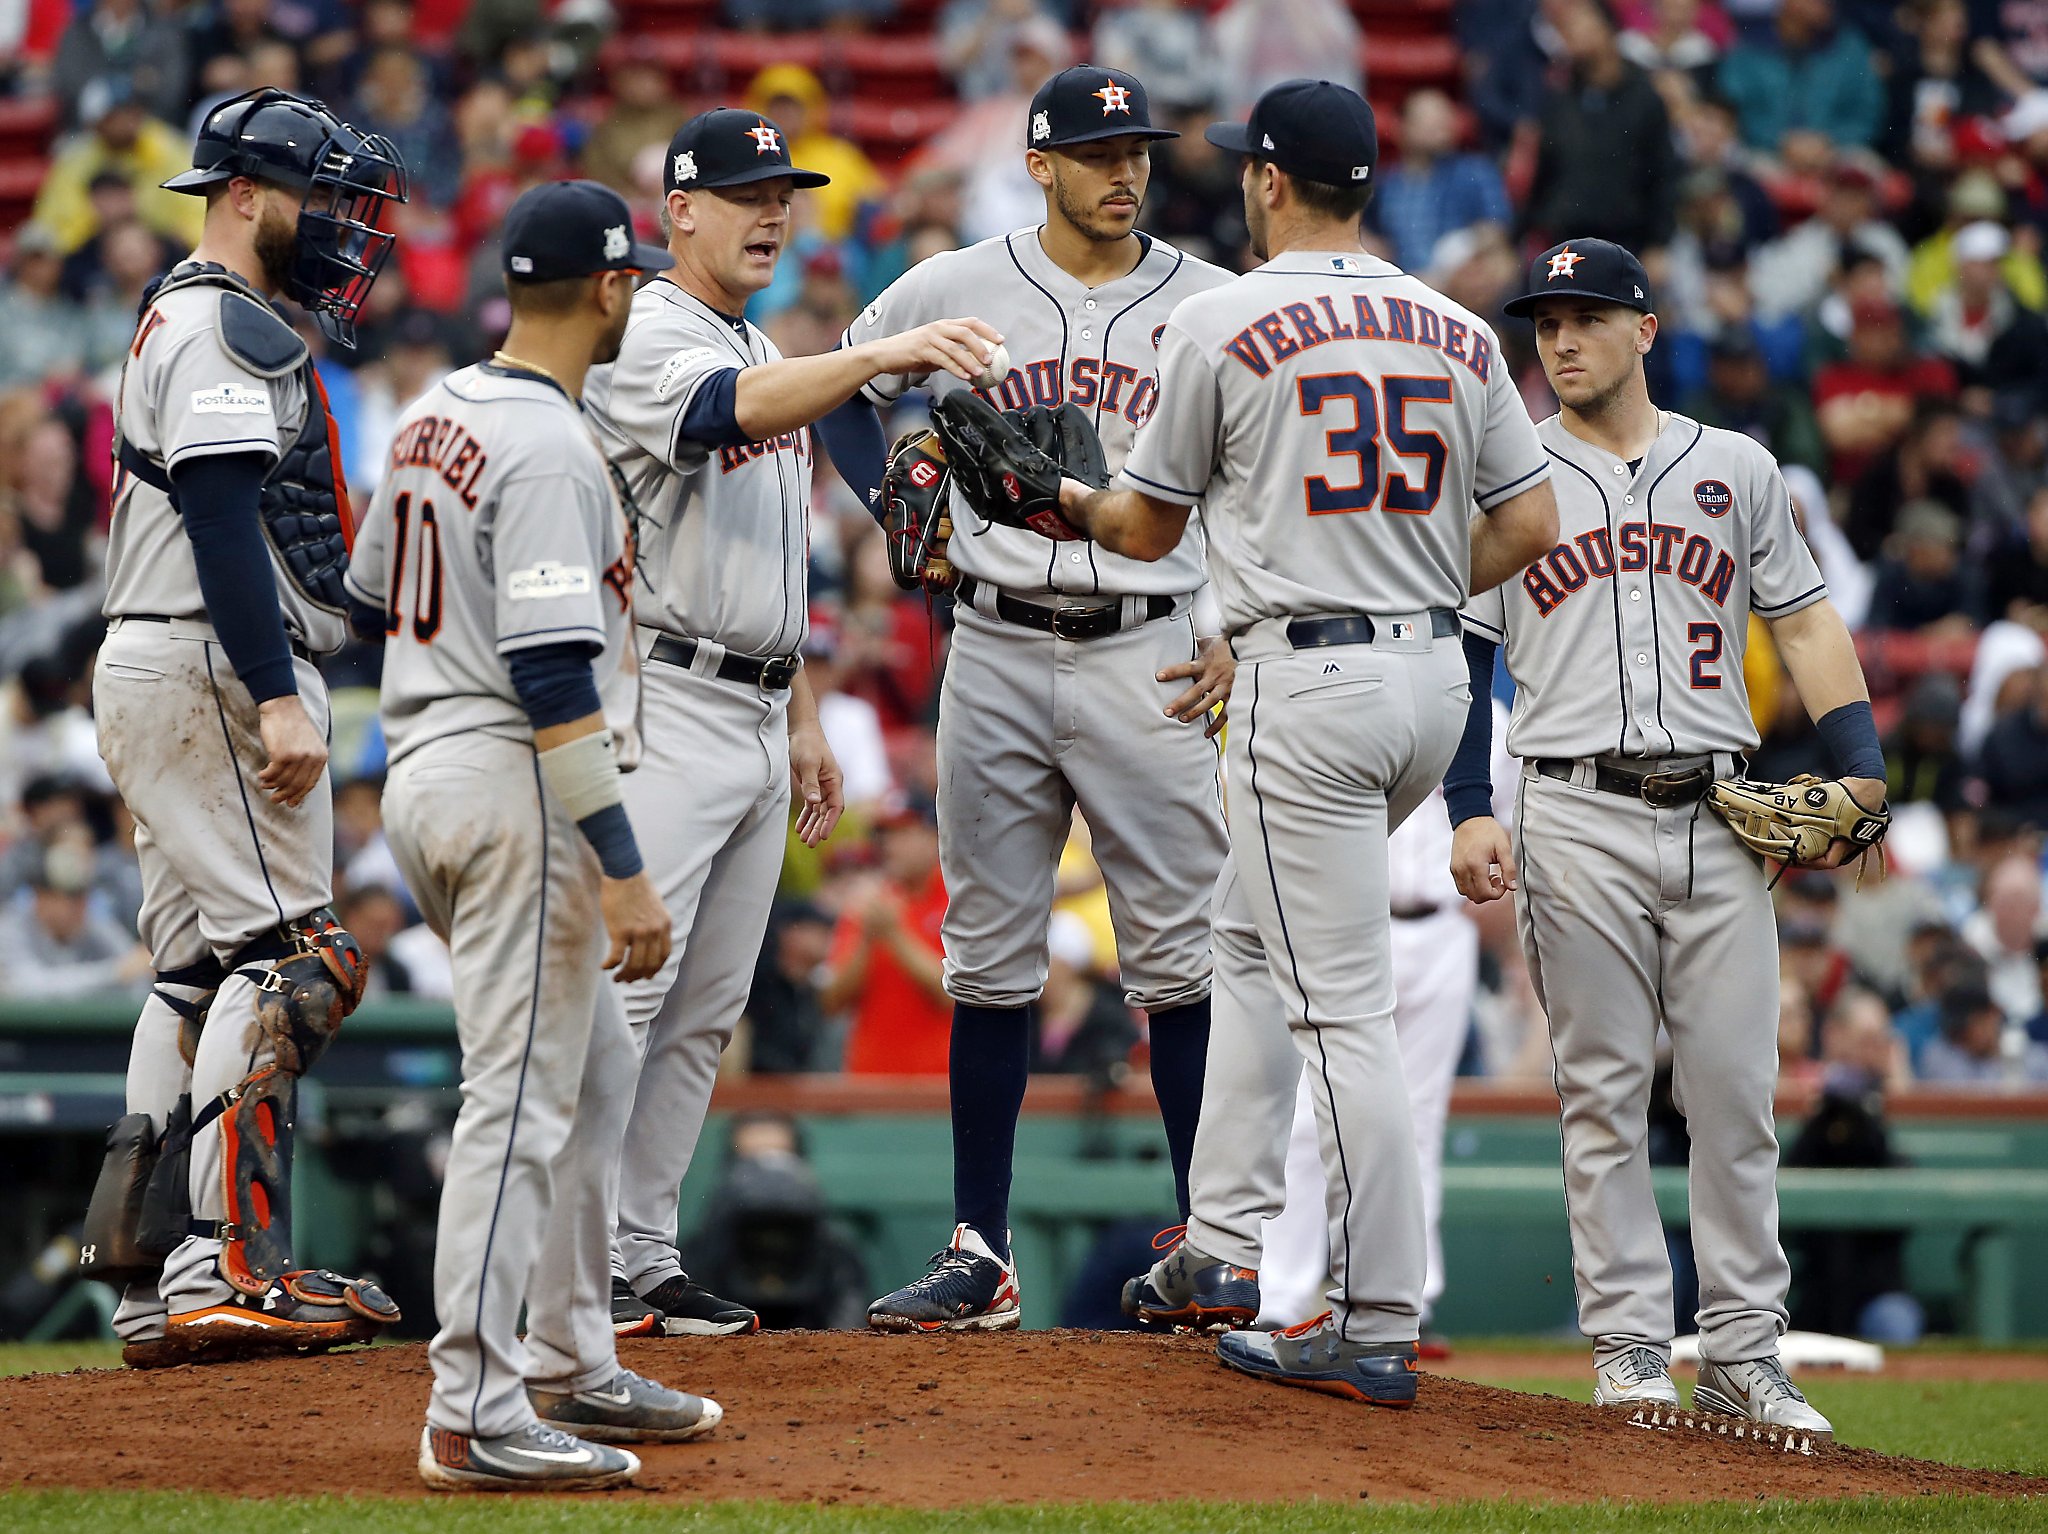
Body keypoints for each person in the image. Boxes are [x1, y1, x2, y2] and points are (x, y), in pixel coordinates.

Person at [1064, 78, 1558, 1403]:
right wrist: (1409, 581)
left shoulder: (1220, 315)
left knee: (1341, 1014)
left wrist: (1054, 493)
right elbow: (1531, 524)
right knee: (1241, 932)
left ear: (1273, 182)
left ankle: (1375, 1315)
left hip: (1307, 685)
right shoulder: (1454, 327)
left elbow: (1148, 528)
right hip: (1431, 685)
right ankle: (1222, 1238)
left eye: (1249, 168)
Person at [1448, 235, 1889, 1436]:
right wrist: (1466, 804)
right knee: (1598, 1093)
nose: (1562, 340)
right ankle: (1632, 1345)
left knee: (1735, 1095)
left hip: (1718, 808)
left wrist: (1858, 761)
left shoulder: (1734, 466)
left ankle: (1744, 1350)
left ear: (1645, 329)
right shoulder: (1510, 473)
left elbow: (1802, 624)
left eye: (1586, 317)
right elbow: (1466, 654)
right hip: (1569, 803)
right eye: (1546, 323)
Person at [824, 65, 1235, 1332]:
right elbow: (844, 376)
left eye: (1140, 151)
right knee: (986, 954)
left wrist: (1235, 622)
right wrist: (889, 489)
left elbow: (1260, 476)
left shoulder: (1215, 305)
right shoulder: (956, 282)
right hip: (992, 640)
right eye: (1099, 152)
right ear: (1041, 164)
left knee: (1176, 956)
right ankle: (979, 1252)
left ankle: (1208, 1242)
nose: (1126, 172)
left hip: (1149, 644)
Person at [585, 107, 1000, 1340]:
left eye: (784, 191)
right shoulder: (648, 329)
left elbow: (774, 561)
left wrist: (807, 714)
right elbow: (726, 415)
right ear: (679, 212)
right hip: (661, 698)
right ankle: (570, 1258)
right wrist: (877, 355)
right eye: (745, 191)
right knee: (628, 998)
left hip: (758, 701)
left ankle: (641, 1251)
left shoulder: (758, 338)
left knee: (709, 1005)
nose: (774, 210)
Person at [351, 178, 721, 1492]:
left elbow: (366, 597)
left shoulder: (433, 410)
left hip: (425, 769)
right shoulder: (554, 447)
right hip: (514, 779)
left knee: (599, 1068)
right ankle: (475, 1407)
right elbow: (558, 676)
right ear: (616, 286)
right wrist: (626, 871)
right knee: (517, 1101)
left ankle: (571, 1352)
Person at [82, 87, 408, 1368]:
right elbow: (222, 515)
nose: (337, 226)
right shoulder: (223, 323)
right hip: (211, 665)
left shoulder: (200, 312)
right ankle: (221, 1259)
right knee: (297, 957)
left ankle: (153, 1276)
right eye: (318, 198)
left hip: (164, 660)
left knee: (199, 970)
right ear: (246, 195)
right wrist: (276, 689)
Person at [822, 795, 952, 1077]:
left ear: (937, 836)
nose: (891, 846)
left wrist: (894, 935)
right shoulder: (871, 903)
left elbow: (952, 997)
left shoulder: (958, 899)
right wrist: (866, 940)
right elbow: (832, 1002)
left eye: (904, 834)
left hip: (943, 1084)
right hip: (870, 1081)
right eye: (886, 836)